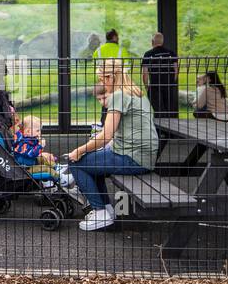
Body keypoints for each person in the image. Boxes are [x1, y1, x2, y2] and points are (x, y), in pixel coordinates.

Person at [65, 59, 158, 231]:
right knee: (92, 162)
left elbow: (106, 136)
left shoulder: (118, 95)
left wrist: (78, 151)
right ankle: (107, 210)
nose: (102, 83)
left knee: (75, 163)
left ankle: (100, 212)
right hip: (144, 156)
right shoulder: (137, 93)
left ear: (110, 77)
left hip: (132, 157)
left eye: (102, 79)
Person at [140, 32, 178, 119]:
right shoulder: (171, 53)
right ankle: (169, 127)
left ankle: (160, 127)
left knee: (158, 112)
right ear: (162, 41)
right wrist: (171, 83)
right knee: (169, 111)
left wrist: (147, 86)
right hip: (168, 86)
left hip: (155, 86)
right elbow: (176, 70)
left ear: (152, 41)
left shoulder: (148, 54)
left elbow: (145, 73)